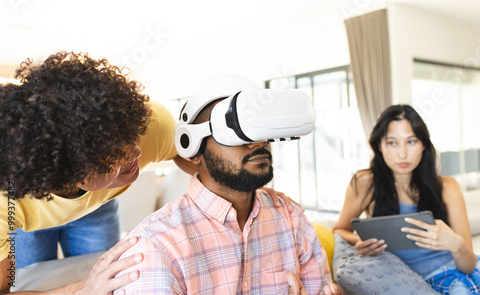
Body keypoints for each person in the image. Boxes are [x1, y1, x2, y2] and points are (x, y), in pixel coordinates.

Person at [0, 52, 294, 294]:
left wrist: (244, 192)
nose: (135, 155)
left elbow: (196, 157)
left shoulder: (150, 127)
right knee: (31, 278)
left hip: (99, 207)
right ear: (62, 172)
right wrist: (81, 289)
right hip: (25, 220)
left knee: (111, 276)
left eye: (128, 140)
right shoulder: (5, 206)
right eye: (110, 157)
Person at [114, 75, 341, 294]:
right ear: (193, 149)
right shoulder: (156, 246)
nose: (257, 142)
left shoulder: (291, 218)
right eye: (235, 130)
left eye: (259, 127)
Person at [333, 104, 480, 294]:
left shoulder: (448, 186)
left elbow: (468, 265)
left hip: (469, 274)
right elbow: (339, 229)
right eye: (392, 143)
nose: (402, 154)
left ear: (423, 145)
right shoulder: (365, 182)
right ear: (379, 146)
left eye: (411, 142)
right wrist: (359, 241)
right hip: (418, 282)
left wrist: (455, 242)